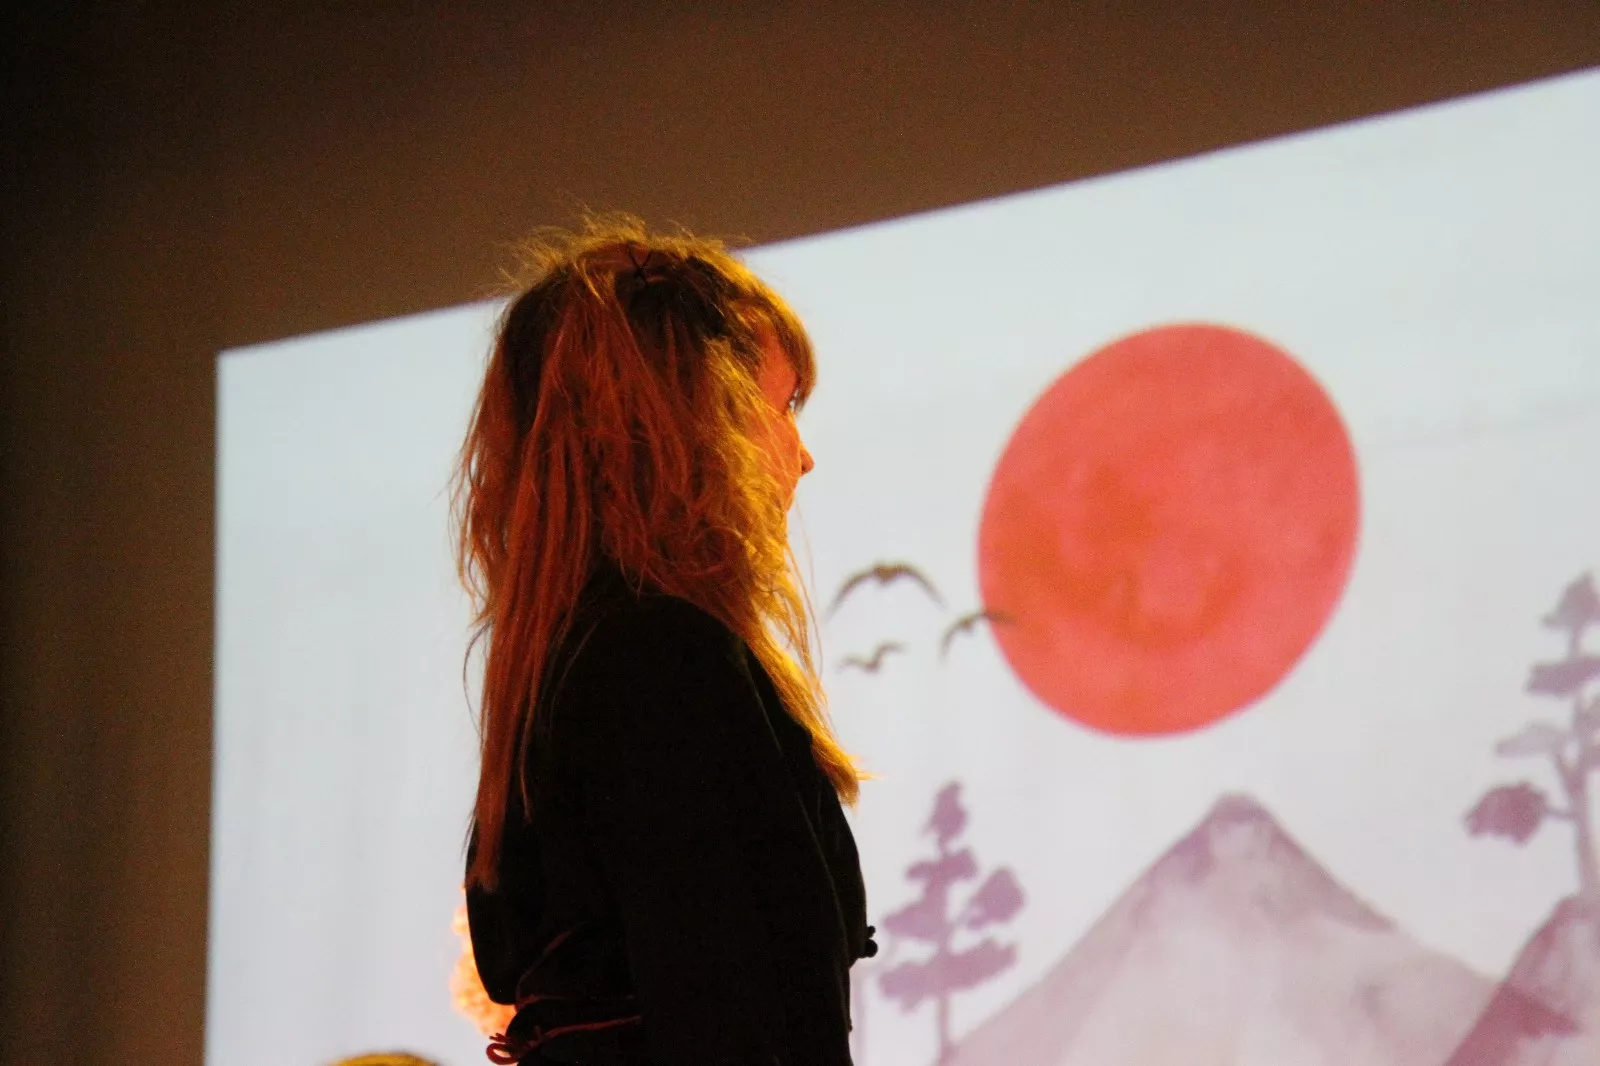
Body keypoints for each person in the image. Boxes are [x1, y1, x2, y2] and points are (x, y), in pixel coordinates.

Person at [453, 214, 877, 1065]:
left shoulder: (579, 660)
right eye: (783, 406)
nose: (801, 455)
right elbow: (737, 1013)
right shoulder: (661, 660)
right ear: (697, 419)